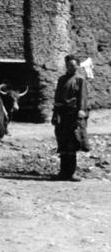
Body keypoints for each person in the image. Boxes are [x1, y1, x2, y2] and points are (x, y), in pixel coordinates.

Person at [52, 54, 90, 182]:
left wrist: (81, 111)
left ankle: (71, 173)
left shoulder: (80, 80)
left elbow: (83, 97)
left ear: (77, 66)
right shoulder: (62, 79)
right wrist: (55, 113)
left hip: (73, 115)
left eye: (73, 65)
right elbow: (57, 98)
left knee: (72, 143)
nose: (70, 67)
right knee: (62, 143)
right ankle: (63, 173)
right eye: (68, 65)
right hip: (62, 115)